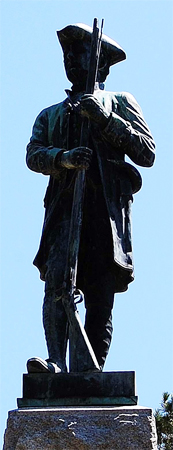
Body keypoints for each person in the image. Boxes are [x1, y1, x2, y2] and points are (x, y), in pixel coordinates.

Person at [26, 23, 155, 374]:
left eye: (79, 52)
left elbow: (146, 152)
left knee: (100, 294)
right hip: (65, 210)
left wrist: (106, 119)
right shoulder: (51, 113)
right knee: (58, 282)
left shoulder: (121, 102)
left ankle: (91, 370)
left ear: (101, 65)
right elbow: (33, 154)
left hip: (106, 214)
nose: (71, 59)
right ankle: (55, 360)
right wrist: (64, 158)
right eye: (67, 54)